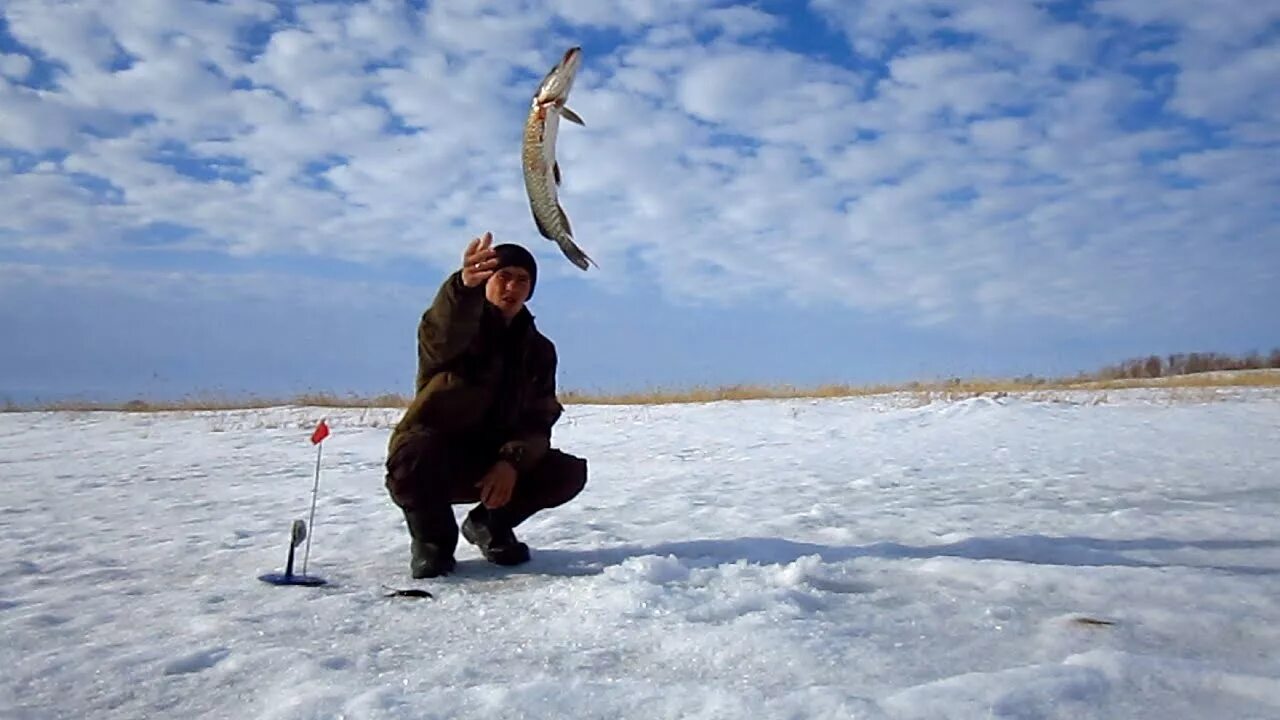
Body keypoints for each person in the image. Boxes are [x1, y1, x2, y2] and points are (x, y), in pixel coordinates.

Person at [383, 231, 588, 578]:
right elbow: (443, 329)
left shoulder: (540, 350)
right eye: (503, 277)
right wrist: (462, 286)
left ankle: (489, 526)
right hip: (436, 460)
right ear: (486, 281)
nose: (512, 287)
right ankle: (432, 544)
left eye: (522, 280)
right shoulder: (458, 334)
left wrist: (511, 461)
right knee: (413, 454)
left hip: (493, 464)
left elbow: (539, 420)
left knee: (565, 472)